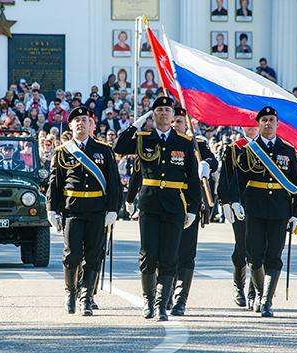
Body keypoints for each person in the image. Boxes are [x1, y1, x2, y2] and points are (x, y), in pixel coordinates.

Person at [114, 97, 201, 321]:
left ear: (173, 116)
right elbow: (119, 146)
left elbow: (192, 179)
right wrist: (136, 123)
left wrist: (192, 208)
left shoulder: (184, 142)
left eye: (167, 110)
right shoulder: (143, 139)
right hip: (150, 204)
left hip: (175, 205)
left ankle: (162, 305)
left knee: (170, 256)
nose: (163, 113)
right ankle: (149, 301)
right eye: (159, 110)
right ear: (153, 115)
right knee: (148, 255)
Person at [229, 106, 297, 317]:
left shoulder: (287, 151)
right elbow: (238, 180)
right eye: (264, 120)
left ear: (278, 124)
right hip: (254, 209)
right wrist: (235, 202)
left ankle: (266, 300)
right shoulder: (250, 150)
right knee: (254, 256)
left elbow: (296, 186)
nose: (268, 123)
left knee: (274, 256)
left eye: (272, 120)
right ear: (258, 124)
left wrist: (296, 213)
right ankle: (261, 294)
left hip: (280, 210)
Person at [47, 107, 119, 316]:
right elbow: (55, 184)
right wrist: (52, 210)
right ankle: (71, 291)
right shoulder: (62, 151)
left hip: (97, 210)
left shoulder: (104, 150)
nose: (80, 123)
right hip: (73, 210)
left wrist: (113, 209)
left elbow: (113, 182)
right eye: (76, 120)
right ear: (70, 126)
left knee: (93, 255)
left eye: (85, 120)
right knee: (72, 255)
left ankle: (86, 297)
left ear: (92, 125)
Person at [168, 107, 218, 316]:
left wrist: (205, 163)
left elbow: (212, 161)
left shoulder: (197, 144)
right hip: (166, 205)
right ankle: (166, 293)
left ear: (186, 124)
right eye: (173, 121)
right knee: (166, 252)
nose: (176, 125)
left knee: (186, 253)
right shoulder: (164, 142)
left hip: (189, 205)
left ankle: (181, 299)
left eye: (179, 121)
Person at [217, 125, 259, 309]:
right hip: (239, 203)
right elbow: (225, 177)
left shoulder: (265, 148)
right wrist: (225, 201)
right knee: (241, 246)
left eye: (254, 126)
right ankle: (238, 286)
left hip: (261, 204)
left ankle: (254, 290)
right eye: (248, 126)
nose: (251, 129)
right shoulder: (233, 148)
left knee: (258, 248)